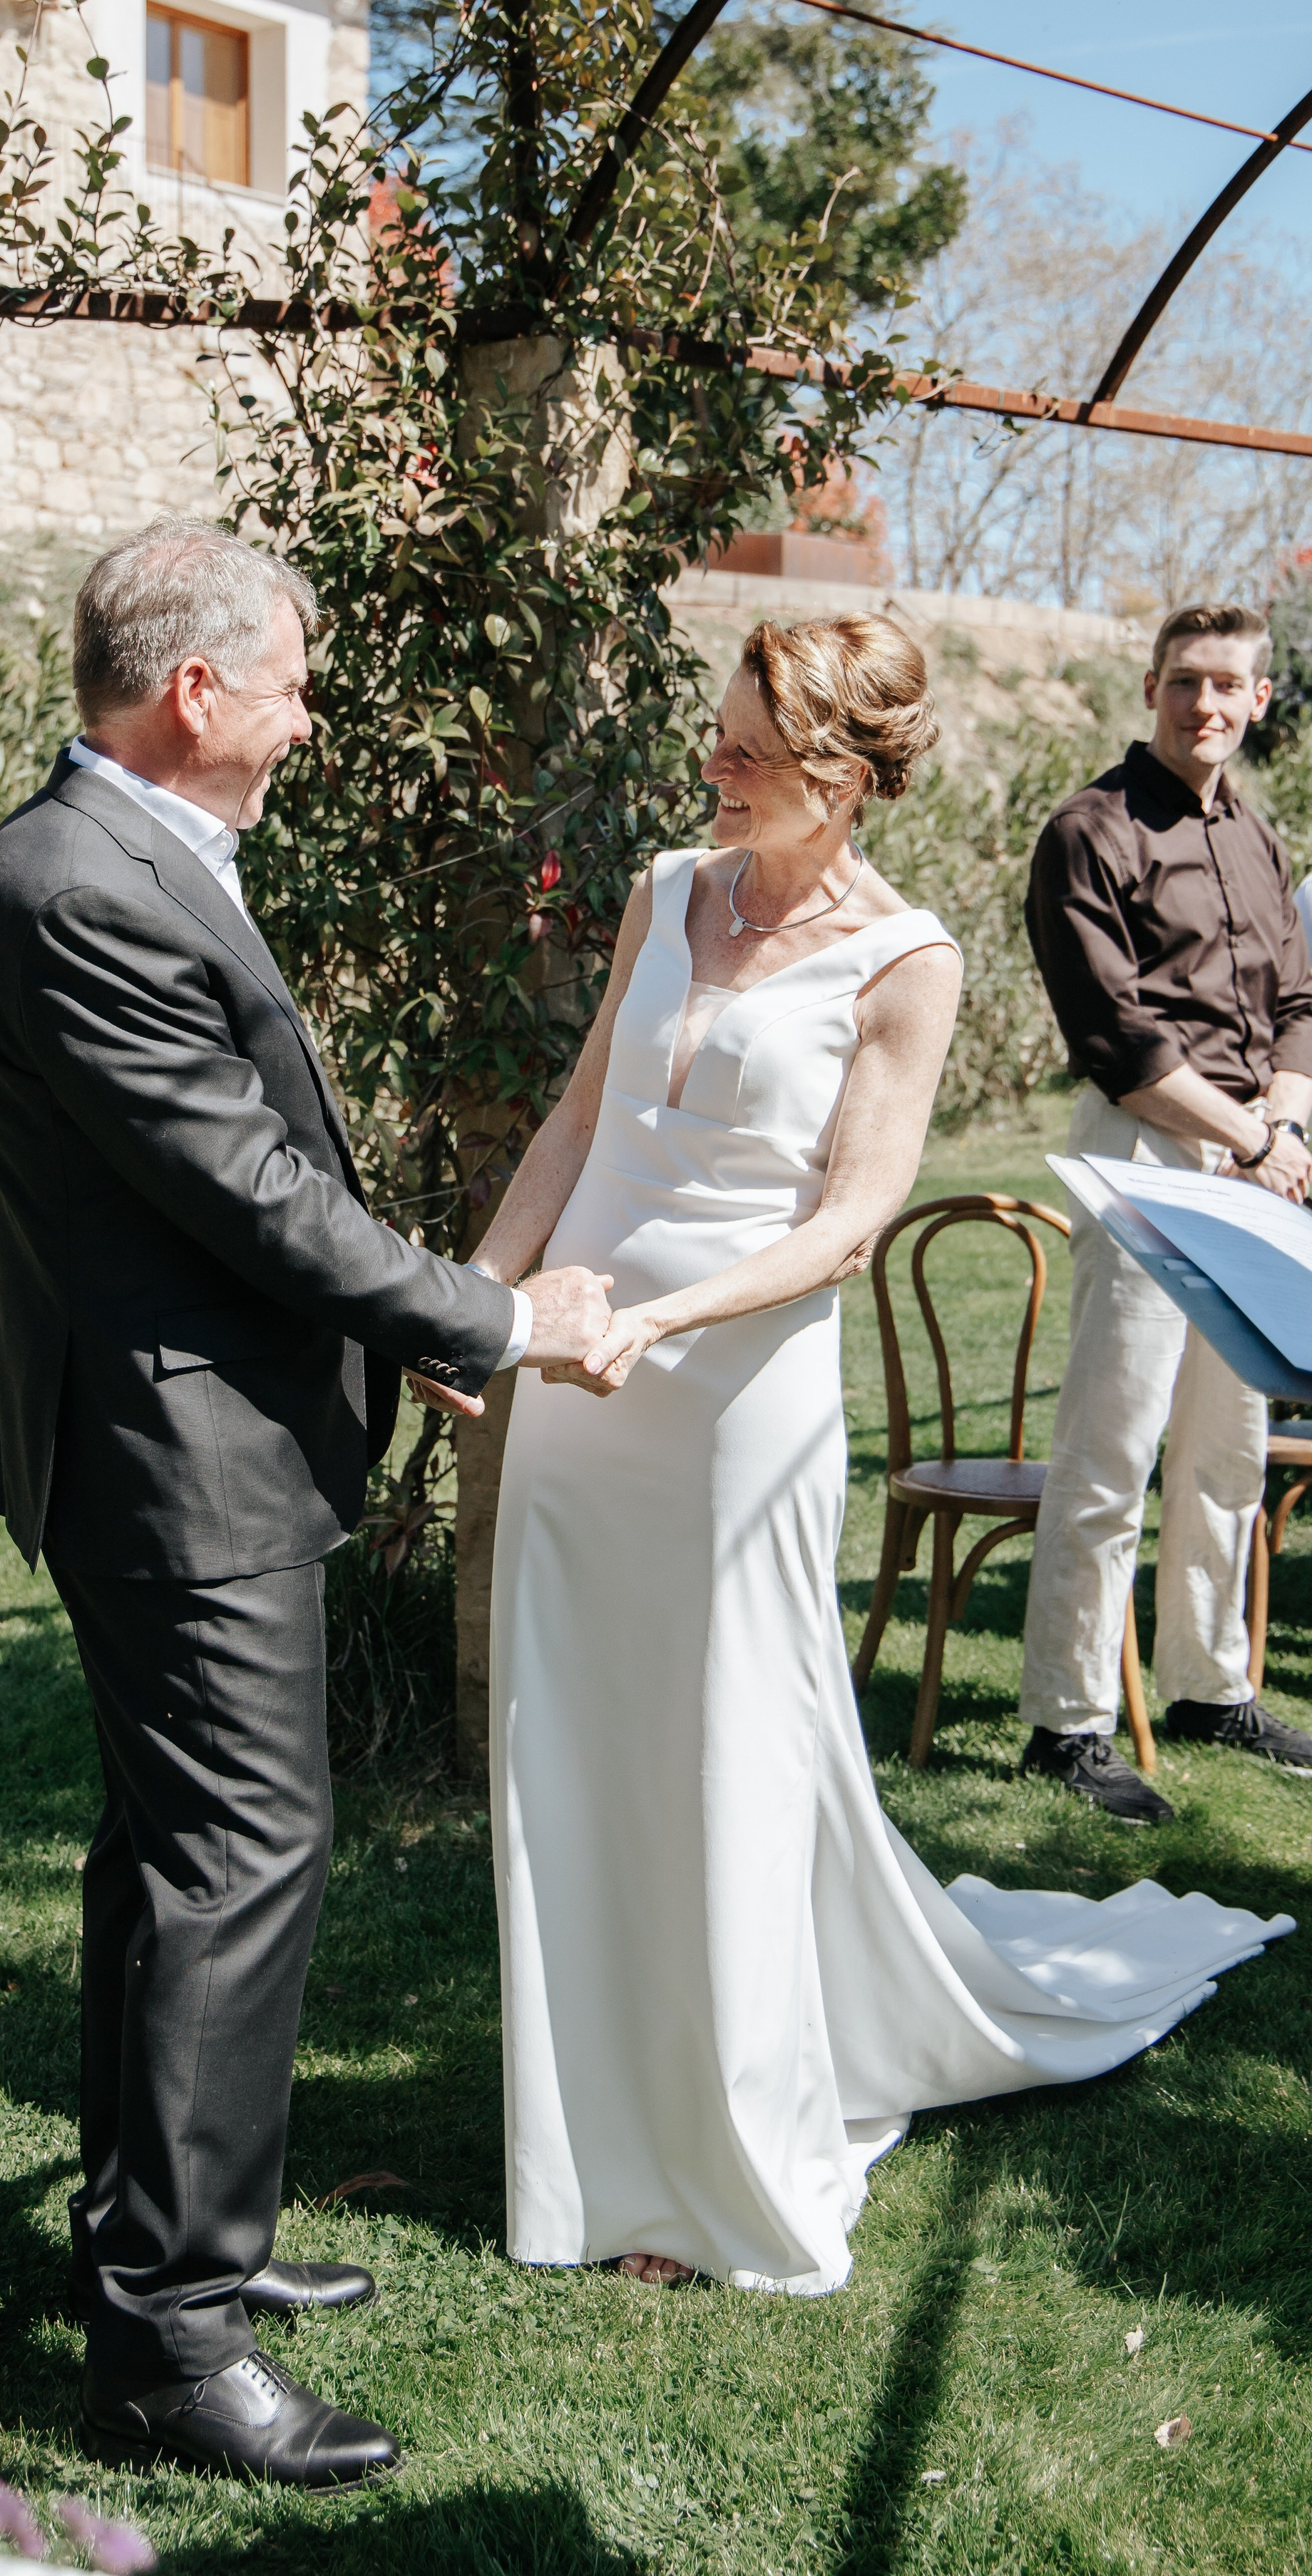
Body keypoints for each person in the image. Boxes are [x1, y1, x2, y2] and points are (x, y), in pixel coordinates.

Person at [475, 614, 1292, 2296]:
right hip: (570, 1380)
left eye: (749, 750)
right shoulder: (661, 887)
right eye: (717, 735)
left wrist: (656, 1318)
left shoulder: (905, 958)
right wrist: (477, 1302)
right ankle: (585, 2125)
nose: (713, 766)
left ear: (840, 775)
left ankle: (719, 2154)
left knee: (724, 1758)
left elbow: (847, 1225)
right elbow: (578, 1118)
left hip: (730, 1400)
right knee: (573, 1743)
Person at [0, 517, 613, 2483]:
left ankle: (162, 2243)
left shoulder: (120, 857)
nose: (308, 716)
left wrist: (388, 1326)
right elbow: (244, 1185)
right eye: (294, 682)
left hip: (184, 1436)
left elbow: (222, 1186)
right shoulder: (83, 887)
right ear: (196, 690)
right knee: (236, 1863)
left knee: (174, 1858)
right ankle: (169, 2343)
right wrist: (498, 1315)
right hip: (179, 1468)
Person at [1020, 602, 1312, 1826]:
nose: (1206, 703)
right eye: (1186, 680)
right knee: (1114, 1443)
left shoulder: (1259, 835)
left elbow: (1298, 1004)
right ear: (1152, 688)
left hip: (1257, 1158)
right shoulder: (1086, 831)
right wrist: (1254, 1138)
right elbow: (1116, 1036)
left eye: (1228, 685)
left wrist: (1285, 1127)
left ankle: (1208, 1685)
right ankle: (1067, 1720)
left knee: (1226, 1445)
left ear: (1257, 700)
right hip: (1148, 1146)